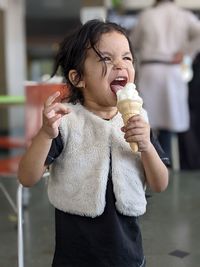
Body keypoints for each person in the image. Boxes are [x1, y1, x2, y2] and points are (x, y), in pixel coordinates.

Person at [18, 19, 169, 267]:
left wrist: (146, 146)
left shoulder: (139, 121)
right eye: (106, 59)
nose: (120, 64)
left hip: (128, 256)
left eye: (127, 58)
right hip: (75, 258)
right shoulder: (66, 121)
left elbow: (160, 183)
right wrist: (45, 134)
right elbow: (27, 177)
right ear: (78, 78)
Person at [130, 0, 200, 161]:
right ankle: (166, 161)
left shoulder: (147, 15)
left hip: (150, 71)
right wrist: (186, 52)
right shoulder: (184, 15)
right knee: (169, 121)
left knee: (148, 119)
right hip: (173, 71)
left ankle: (153, 161)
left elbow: (132, 42)